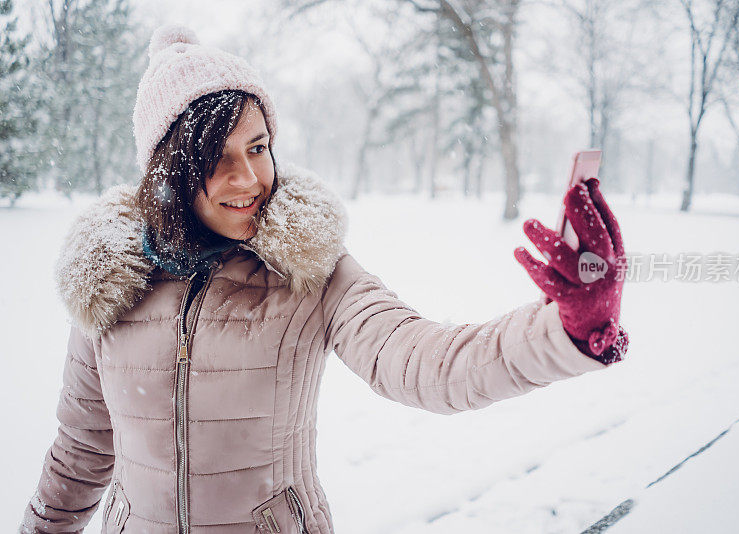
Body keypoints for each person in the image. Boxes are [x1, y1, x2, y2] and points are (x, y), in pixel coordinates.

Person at [20, 24, 629, 534]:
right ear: (170, 170)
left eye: (257, 148)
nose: (248, 179)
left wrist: (568, 328)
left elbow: (425, 362)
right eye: (217, 158)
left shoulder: (309, 270)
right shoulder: (110, 285)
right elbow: (80, 455)